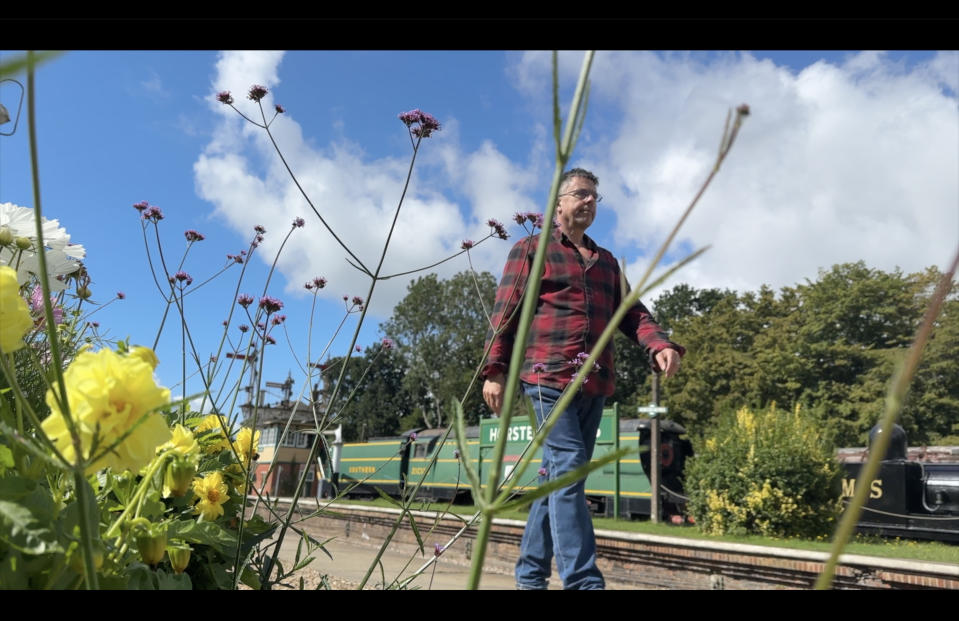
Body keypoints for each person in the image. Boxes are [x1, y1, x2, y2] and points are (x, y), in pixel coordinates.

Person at [481, 168, 684, 590]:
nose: (589, 201)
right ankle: (584, 582)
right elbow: (505, 313)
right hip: (545, 377)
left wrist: (659, 343)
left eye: (595, 196)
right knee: (570, 469)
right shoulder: (530, 250)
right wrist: (495, 370)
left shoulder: (606, 262)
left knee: (554, 474)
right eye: (580, 194)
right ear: (558, 203)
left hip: (593, 383)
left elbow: (632, 312)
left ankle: (529, 578)